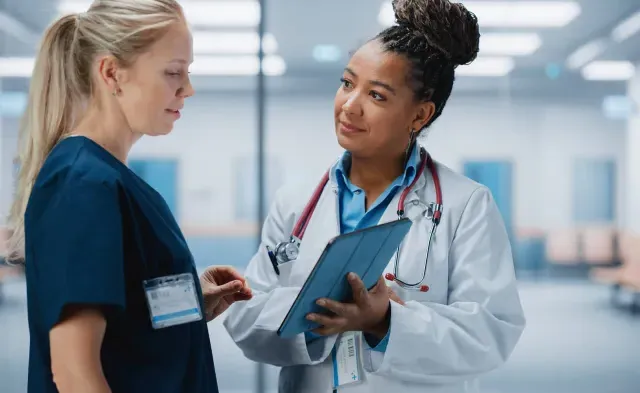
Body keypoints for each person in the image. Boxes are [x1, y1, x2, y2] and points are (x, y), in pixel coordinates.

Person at [223, 0, 526, 392]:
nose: (349, 106)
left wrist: (383, 321)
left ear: (420, 116)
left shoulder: (465, 205)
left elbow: (490, 334)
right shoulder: (296, 202)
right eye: (347, 83)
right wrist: (320, 315)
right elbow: (247, 318)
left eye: (377, 96)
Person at [5, 1, 252, 392]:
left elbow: (125, 318)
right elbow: (74, 373)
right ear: (111, 73)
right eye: (173, 72)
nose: (188, 88)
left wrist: (191, 302)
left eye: (187, 73)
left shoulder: (112, 179)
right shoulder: (82, 183)